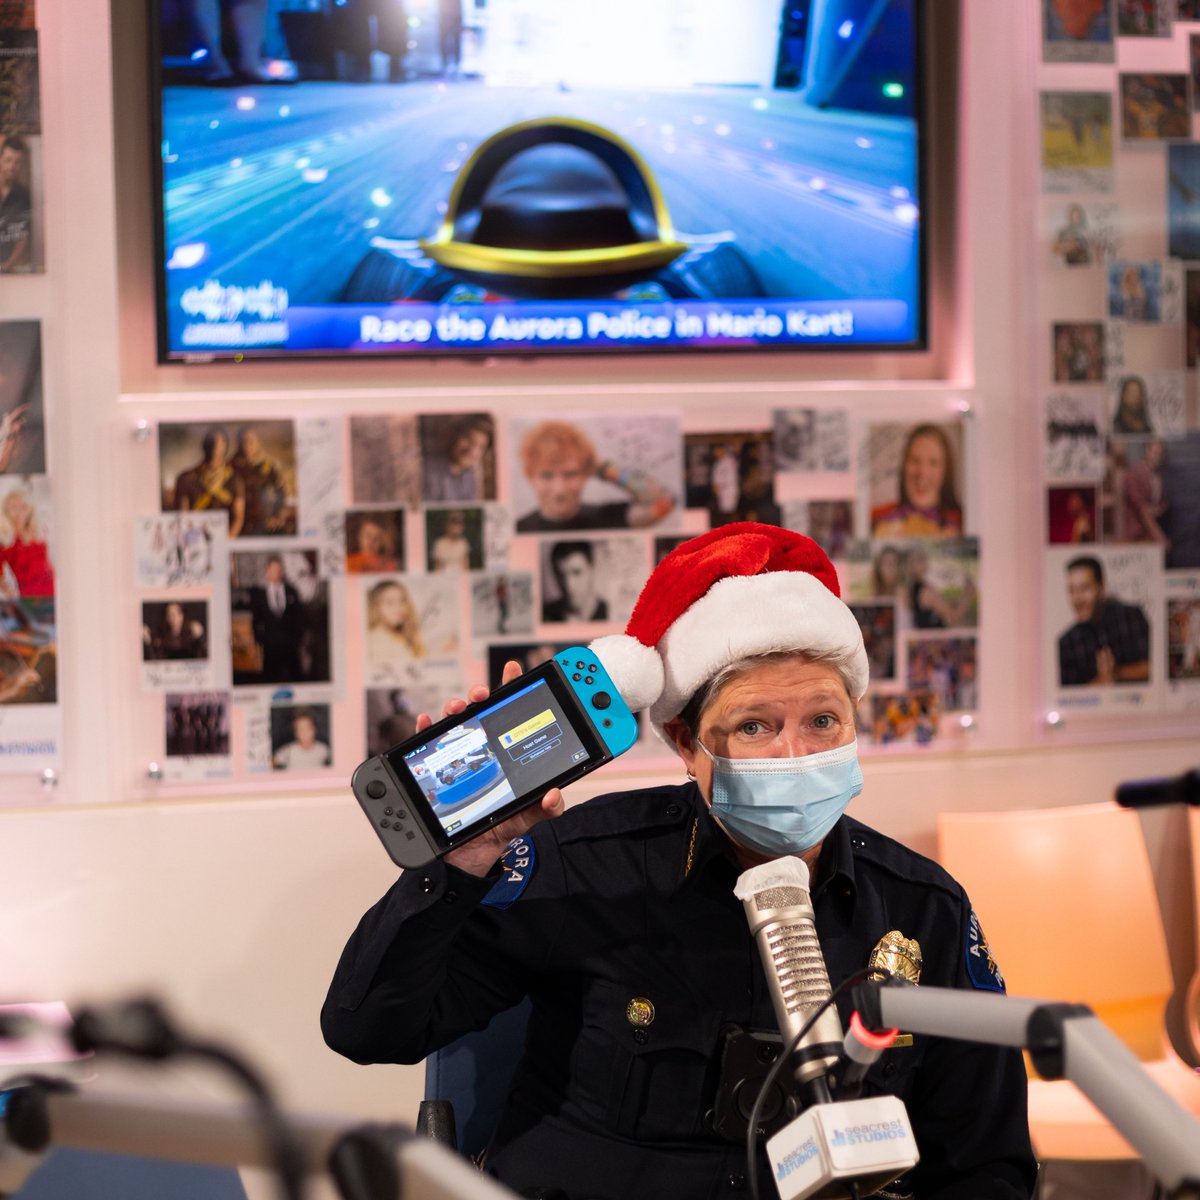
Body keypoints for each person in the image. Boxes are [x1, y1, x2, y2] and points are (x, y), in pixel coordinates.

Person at [323, 522, 1036, 1200]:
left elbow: (985, 1164)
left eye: (823, 720)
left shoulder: (923, 909)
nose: (795, 754)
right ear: (685, 744)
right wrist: (463, 862)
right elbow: (369, 1029)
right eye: (754, 726)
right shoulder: (583, 864)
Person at [515, 420, 675, 533]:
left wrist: (604, 469)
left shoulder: (607, 517)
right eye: (547, 476)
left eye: (570, 475)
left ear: (586, 473)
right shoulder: (519, 528)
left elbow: (664, 502)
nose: (560, 489)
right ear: (530, 476)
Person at [1058, 555, 1150, 686]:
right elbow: (1065, 693)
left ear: (1101, 587)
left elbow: (1156, 666)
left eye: (1084, 588)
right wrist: (1101, 680)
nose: (1077, 599)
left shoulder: (1131, 616)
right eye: (1072, 590)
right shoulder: (1065, 643)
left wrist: (1117, 673)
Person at [870, 424, 963, 539]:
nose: (922, 473)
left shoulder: (965, 523)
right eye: (914, 460)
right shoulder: (874, 519)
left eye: (933, 463)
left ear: (946, 470)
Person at [172, 426, 245, 537]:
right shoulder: (187, 478)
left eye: (220, 442)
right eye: (212, 441)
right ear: (205, 445)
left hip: (224, 537)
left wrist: (226, 541)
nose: (216, 445)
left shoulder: (234, 480)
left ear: (225, 446)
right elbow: (183, 516)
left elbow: (238, 518)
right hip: (195, 537)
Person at [249, 555, 303, 682]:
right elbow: (256, 620)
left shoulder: (292, 592)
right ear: (267, 571)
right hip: (270, 646)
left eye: (279, 570)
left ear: (282, 571)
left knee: (295, 678)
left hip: (290, 646)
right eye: (273, 570)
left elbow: (299, 617)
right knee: (270, 678)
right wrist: (259, 640)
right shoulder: (260, 595)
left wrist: (297, 640)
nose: (276, 573)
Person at [231, 426, 289, 535]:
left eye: (251, 441)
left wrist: (278, 516)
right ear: (238, 444)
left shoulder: (268, 468)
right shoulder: (230, 468)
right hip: (237, 526)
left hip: (264, 524)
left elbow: (281, 493)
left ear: (258, 443)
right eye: (244, 441)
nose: (247, 445)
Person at [423, 415, 492, 503]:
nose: (472, 451)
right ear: (455, 435)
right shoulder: (430, 470)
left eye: (480, 447)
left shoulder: (468, 476)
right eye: (468, 440)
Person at [0, 483, 52, 597]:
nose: (20, 512)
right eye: (14, 507)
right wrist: (11, 594)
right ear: (6, 511)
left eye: (24, 506)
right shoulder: (4, 539)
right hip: (30, 595)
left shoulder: (40, 531)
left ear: (30, 509)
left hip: (53, 589)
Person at [365, 579, 425, 677]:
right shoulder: (377, 639)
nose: (399, 608)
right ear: (376, 606)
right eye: (390, 603)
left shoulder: (397, 634)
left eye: (402, 601)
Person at [542, 539, 608, 623]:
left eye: (577, 572)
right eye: (561, 575)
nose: (569, 585)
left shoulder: (610, 613)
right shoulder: (544, 615)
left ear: (593, 569)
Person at [1121, 438, 1169, 547]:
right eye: (1155, 453)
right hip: (1136, 536)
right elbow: (1142, 510)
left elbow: (1162, 502)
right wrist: (1160, 537)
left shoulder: (1157, 477)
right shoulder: (1133, 474)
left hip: (1150, 535)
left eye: (1160, 454)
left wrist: (1158, 509)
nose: (1157, 458)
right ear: (1147, 450)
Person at [0, 135, 31, 273]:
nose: (12, 166)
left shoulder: (23, 195)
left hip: (11, 268)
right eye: (8, 160)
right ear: (0, 160)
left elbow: (23, 236)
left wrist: (8, 265)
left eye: (17, 162)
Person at [142, 601, 207, 661]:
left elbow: (202, 657)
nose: (172, 618)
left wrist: (200, 637)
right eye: (169, 615)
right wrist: (148, 644)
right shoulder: (161, 638)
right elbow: (156, 662)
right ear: (166, 618)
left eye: (175, 614)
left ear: (182, 615)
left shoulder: (192, 634)